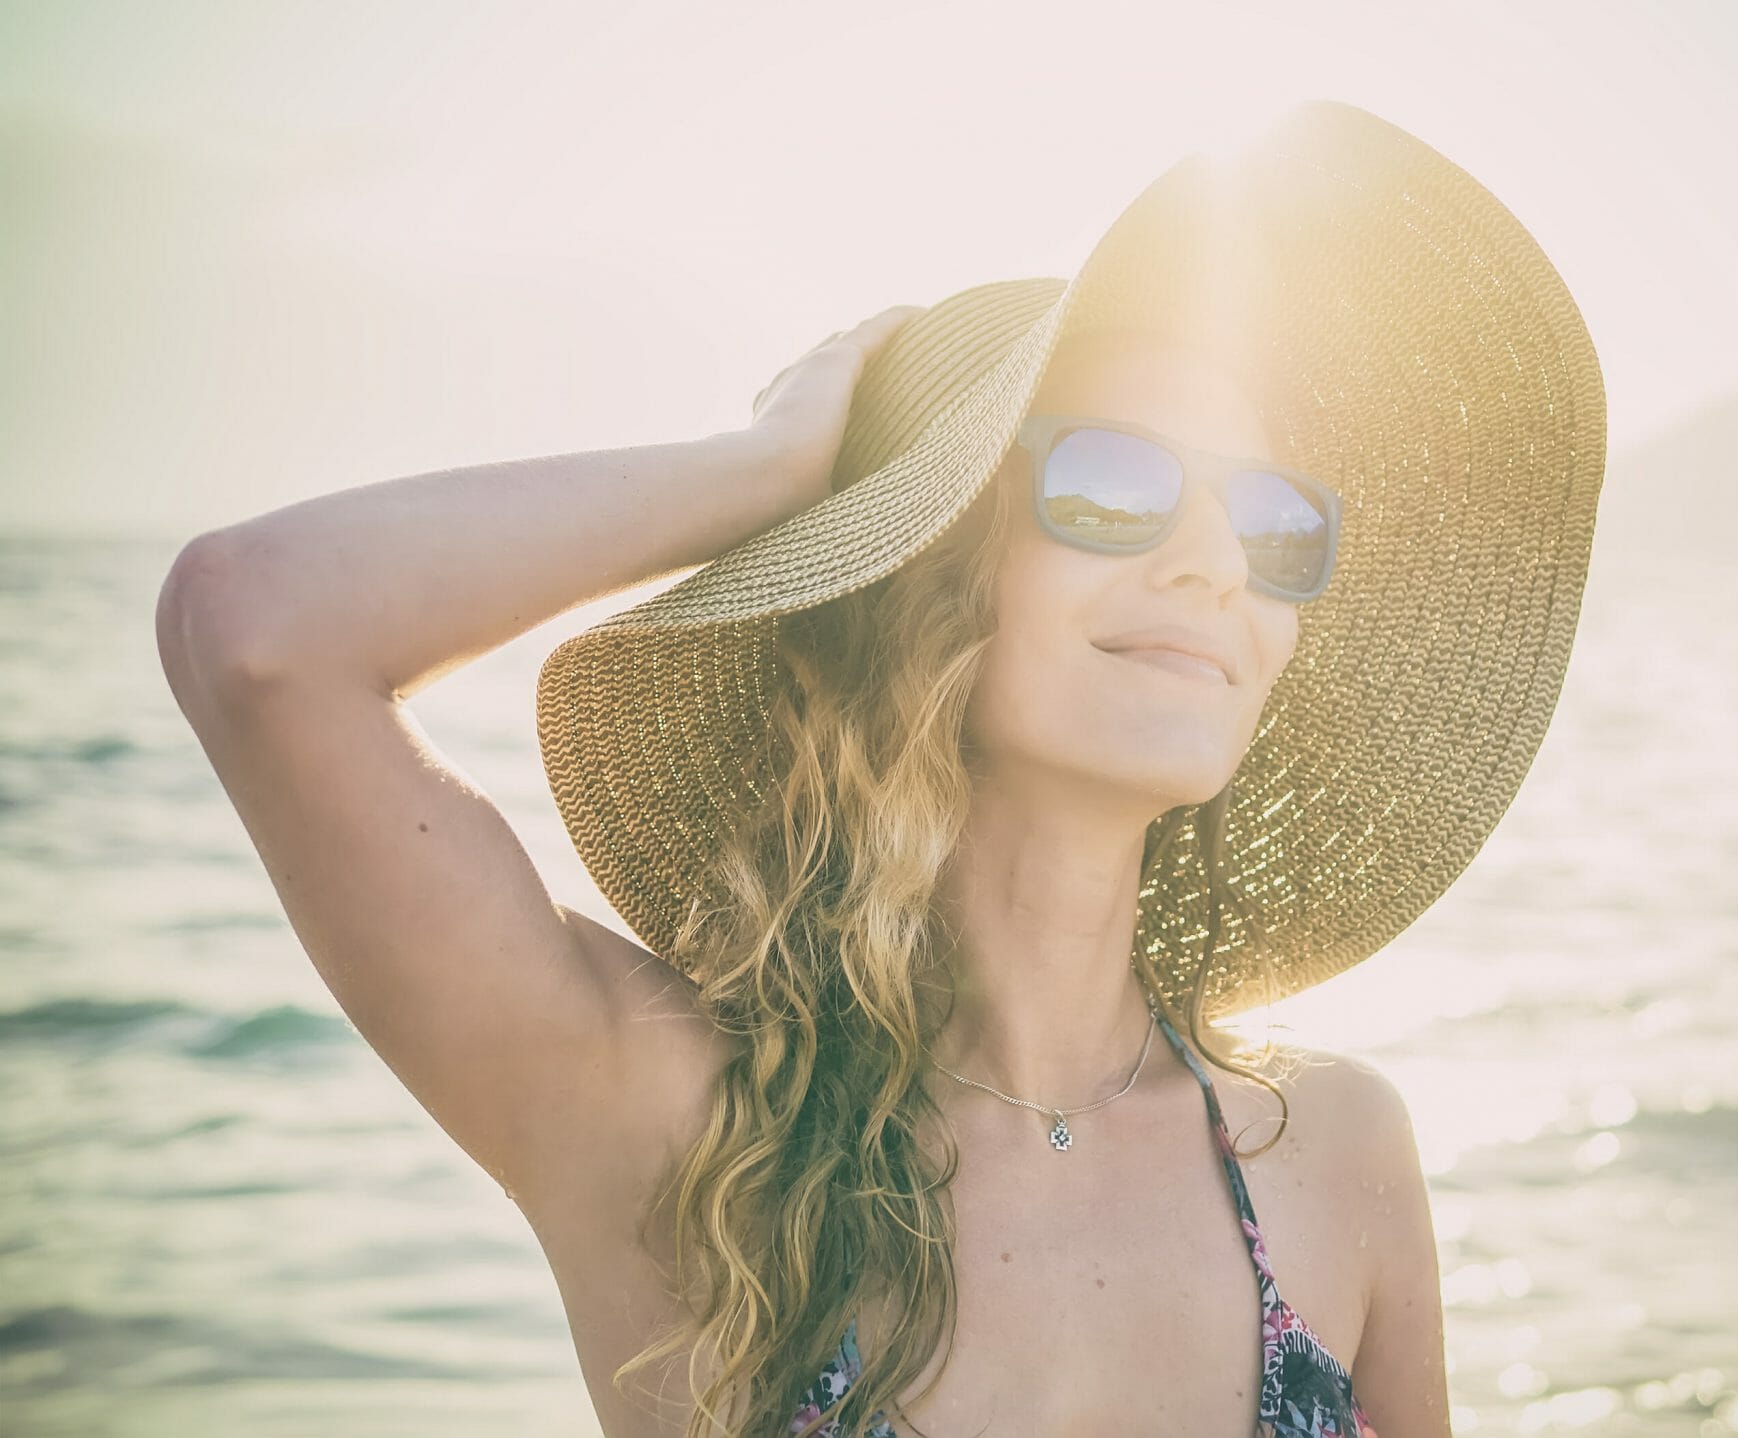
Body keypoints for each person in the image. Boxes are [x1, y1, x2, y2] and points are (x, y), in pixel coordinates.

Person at [157, 100, 1605, 1438]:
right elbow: (256, 627)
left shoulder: (1339, 1152)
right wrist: (775, 471)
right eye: (1117, 484)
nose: (1217, 562)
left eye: (1275, 519)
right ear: (929, 571)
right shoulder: (675, 1122)